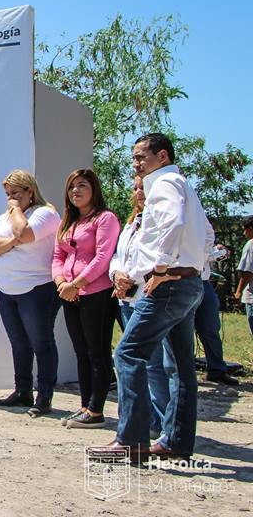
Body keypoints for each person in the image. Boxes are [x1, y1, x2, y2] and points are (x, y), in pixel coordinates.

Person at [92, 133, 211, 462]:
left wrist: (160, 268)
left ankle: (131, 440)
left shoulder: (163, 183)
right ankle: (174, 440)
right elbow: (208, 235)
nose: (135, 164)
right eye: (134, 158)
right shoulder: (184, 185)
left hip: (167, 285)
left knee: (128, 355)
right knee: (182, 368)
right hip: (186, 283)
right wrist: (193, 267)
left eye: (141, 157)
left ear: (162, 155)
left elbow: (173, 222)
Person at [0, 170, 62, 417]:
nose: (10, 199)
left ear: (30, 190)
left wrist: (16, 213)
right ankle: (23, 390)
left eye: (15, 193)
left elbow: (26, 233)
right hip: (7, 288)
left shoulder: (46, 213)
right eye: (8, 194)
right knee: (19, 342)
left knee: (42, 342)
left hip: (36, 288)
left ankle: (45, 396)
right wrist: (12, 242)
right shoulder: (5, 218)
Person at [51, 168, 120, 429]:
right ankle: (84, 407)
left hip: (96, 294)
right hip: (69, 294)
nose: (75, 191)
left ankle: (97, 410)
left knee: (98, 352)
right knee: (81, 352)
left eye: (81, 186)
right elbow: (57, 257)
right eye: (71, 187)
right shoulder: (68, 222)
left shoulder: (105, 219)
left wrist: (77, 284)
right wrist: (61, 283)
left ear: (94, 189)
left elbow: (102, 259)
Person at [109, 175, 173, 440]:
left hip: (148, 296)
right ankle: (148, 419)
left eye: (144, 187)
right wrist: (117, 275)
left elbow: (156, 259)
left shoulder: (160, 222)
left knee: (153, 365)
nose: (139, 192)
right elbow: (118, 256)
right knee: (137, 363)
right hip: (126, 298)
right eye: (135, 188)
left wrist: (131, 277)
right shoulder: (131, 223)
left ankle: (163, 423)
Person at [195, 243, 239, 386]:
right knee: (182, 330)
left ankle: (217, 371)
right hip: (183, 280)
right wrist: (214, 253)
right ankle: (183, 373)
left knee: (210, 327)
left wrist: (217, 251)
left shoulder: (202, 224)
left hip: (203, 282)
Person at [236, 216, 253, 340]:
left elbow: (248, 272)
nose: (244, 233)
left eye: (245, 229)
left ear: (250, 229)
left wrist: (238, 291)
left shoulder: (251, 245)